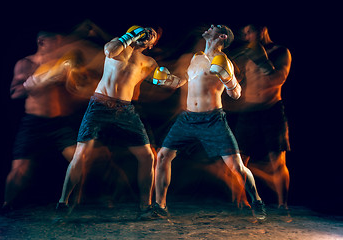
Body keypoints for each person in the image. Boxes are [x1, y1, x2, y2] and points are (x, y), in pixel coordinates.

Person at [151, 24, 266, 220]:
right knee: (162, 156)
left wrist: (228, 78)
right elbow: (184, 82)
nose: (210, 26)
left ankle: (256, 200)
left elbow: (236, 94)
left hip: (213, 120)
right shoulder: (196, 58)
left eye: (216, 27)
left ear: (221, 36)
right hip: (187, 118)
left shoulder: (224, 62)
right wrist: (168, 80)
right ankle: (160, 206)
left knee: (236, 167)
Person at [56, 26, 159, 218]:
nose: (148, 34)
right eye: (146, 31)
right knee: (81, 155)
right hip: (99, 105)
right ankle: (63, 202)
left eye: (152, 35)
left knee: (147, 156)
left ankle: (146, 207)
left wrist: (176, 81)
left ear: (152, 45)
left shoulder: (149, 61)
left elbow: (159, 80)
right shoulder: (117, 46)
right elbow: (110, 51)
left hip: (126, 110)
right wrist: (133, 35)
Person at [3, 30, 100, 210]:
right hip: (34, 123)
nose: (59, 46)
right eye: (55, 42)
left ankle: (74, 203)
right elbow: (14, 93)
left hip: (59, 123)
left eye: (60, 42)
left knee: (79, 160)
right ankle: (7, 205)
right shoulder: (27, 63)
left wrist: (83, 87)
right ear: (41, 42)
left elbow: (78, 89)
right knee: (20, 170)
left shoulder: (64, 64)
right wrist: (39, 82)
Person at [224, 24, 292, 212]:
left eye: (249, 32)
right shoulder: (244, 52)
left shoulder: (280, 51)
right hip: (248, 111)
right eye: (244, 33)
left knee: (277, 160)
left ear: (262, 30)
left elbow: (279, 78)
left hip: (272, 110)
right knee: (239, 160)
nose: (246, 37)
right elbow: (235, 80)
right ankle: (241, 201)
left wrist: (261, 59)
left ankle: (282, 205)